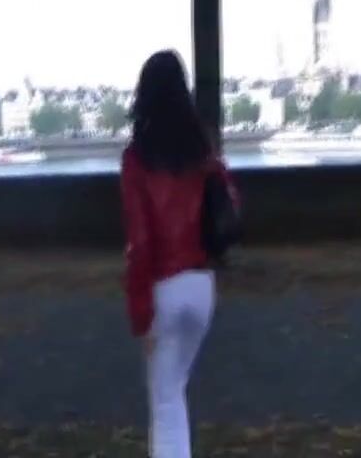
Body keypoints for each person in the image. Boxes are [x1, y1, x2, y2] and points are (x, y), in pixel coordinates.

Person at [121, 50, 238, 458]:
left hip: (163, 290)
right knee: (174, 391)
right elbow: (227, 204)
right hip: (201, 286)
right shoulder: (203, 150)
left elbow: (140, 243)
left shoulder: (137, 158)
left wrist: (140, 315)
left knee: (165, 399)